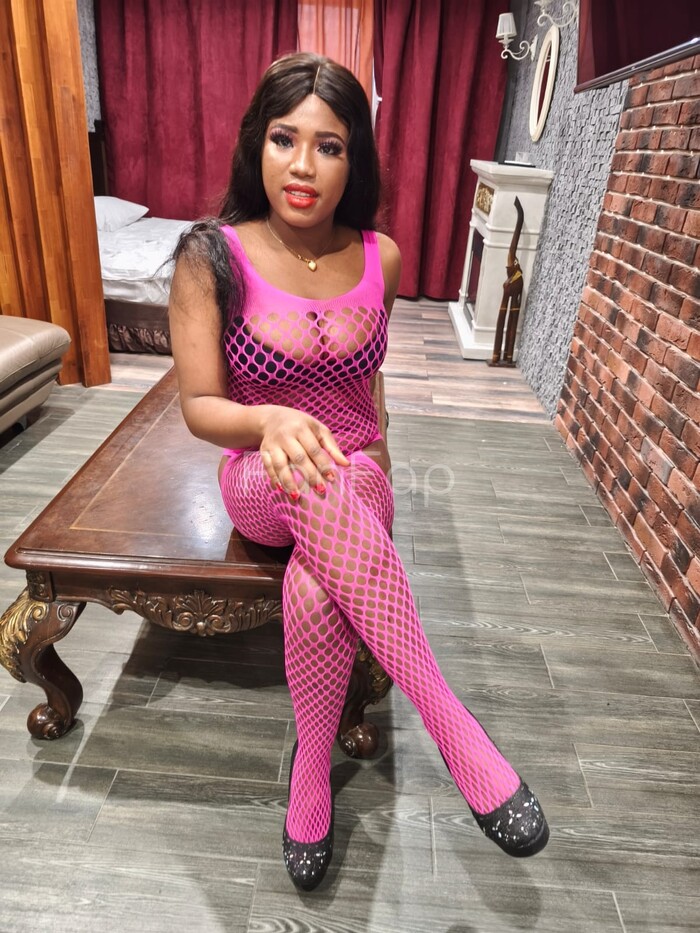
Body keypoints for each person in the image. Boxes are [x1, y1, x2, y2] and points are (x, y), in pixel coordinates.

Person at [169, 52, 549, 892]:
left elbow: (368, 388)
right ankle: (448, 720)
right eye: (284, 138)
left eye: (329, 146)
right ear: (256, 143)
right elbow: (199, 405)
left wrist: (378, 463)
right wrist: (271, 420)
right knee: (312, 482)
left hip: (358, 471)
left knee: (316, 588)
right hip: (262, 474)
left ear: (355, 159)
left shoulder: (384, 255)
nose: (303, 165)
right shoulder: (210, 255)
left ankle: (311, 773)